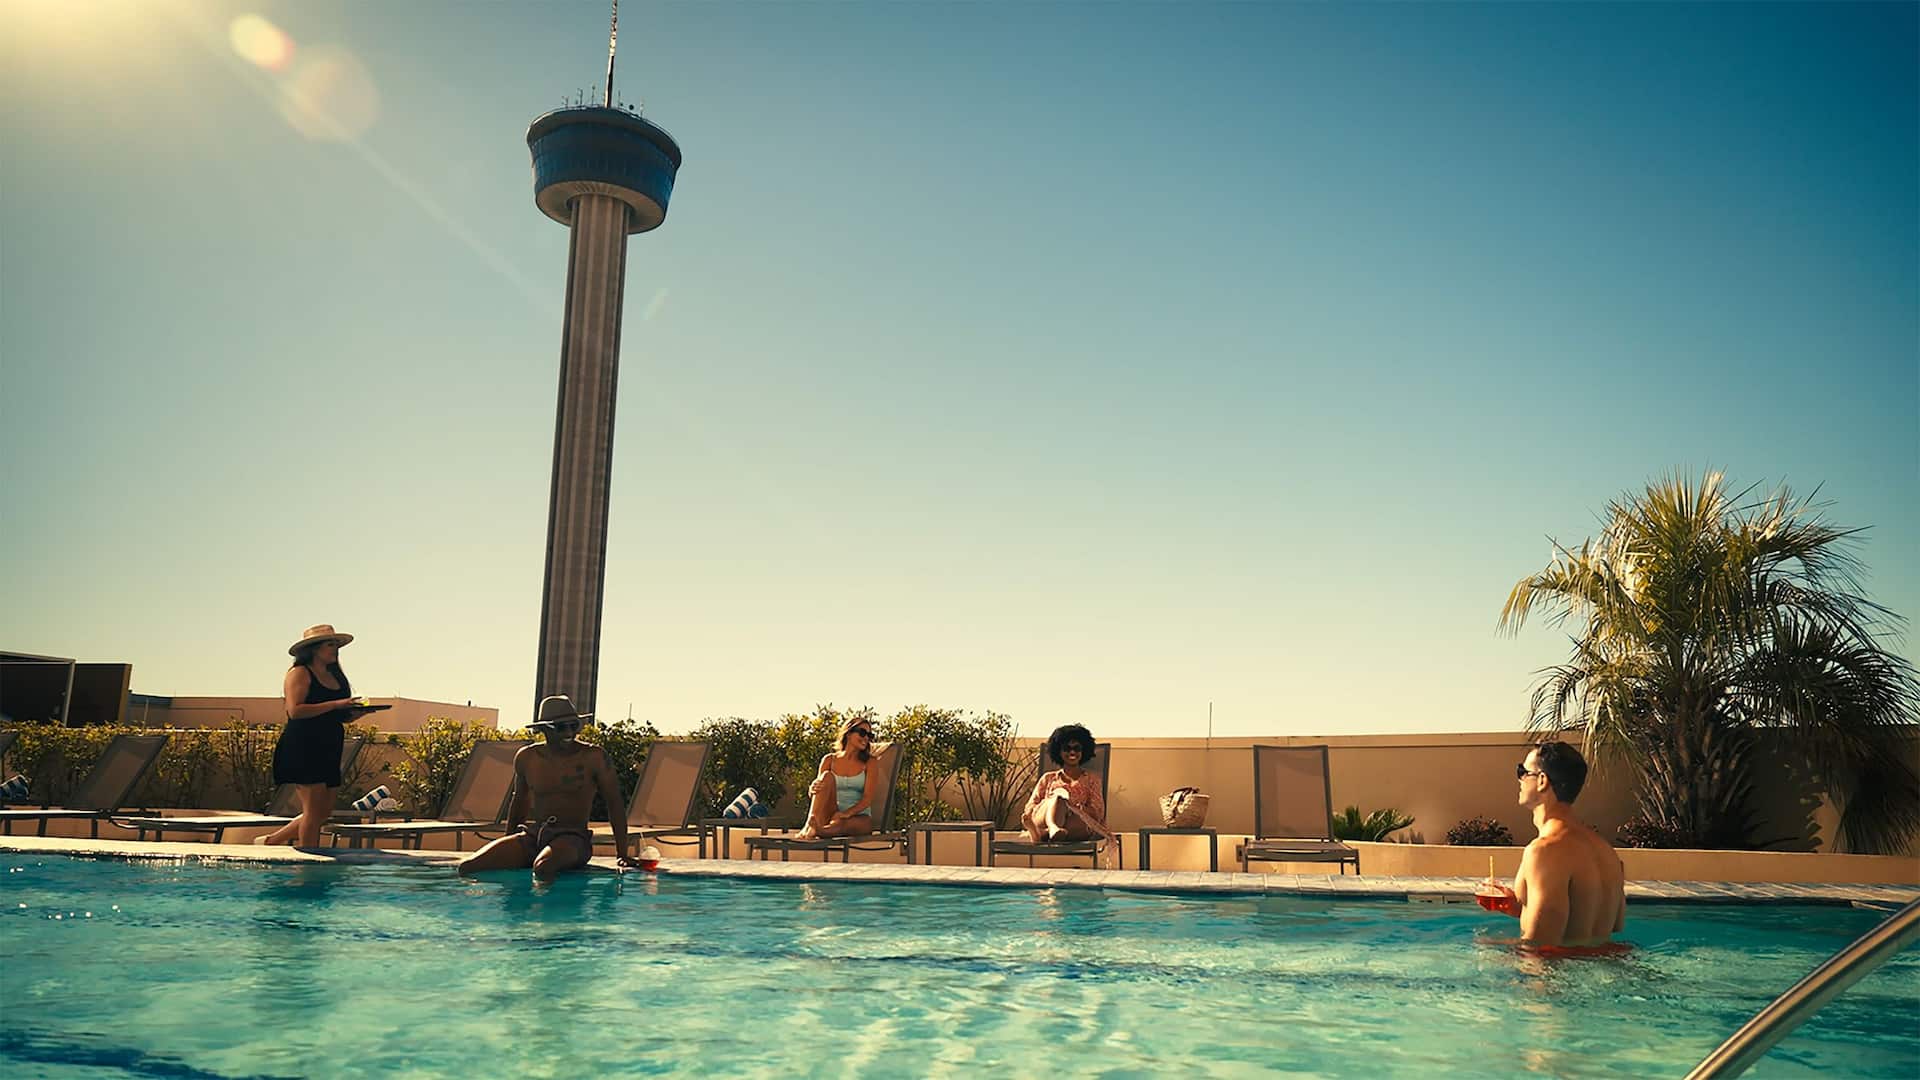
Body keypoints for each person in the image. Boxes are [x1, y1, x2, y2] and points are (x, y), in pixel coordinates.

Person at [458, 695, 638, 880]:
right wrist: (510, 841)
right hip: (534, 836)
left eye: (574, 725)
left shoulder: (594, 757)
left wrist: (622, 853)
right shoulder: (527, 758)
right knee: (468, 867)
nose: (569, 732)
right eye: (561, 727)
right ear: (543, 728)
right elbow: (520, 801)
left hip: (573, 839)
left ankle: (551, 909)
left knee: (543, 867)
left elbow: (614, 803)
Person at [1480, 741, 1627, 950]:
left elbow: (1540, 949)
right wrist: (1519, 908)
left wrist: (1489, 948)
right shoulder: (1607, 852)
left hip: (1559, 980)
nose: (1520, 779)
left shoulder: (1543, 851)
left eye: (1523, 771)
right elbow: (1611, 928)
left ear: (1542, 781)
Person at [260, 624, 365, 848]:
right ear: (314, 648)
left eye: (337, 645)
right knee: (313, 810)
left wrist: (352, 714)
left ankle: (271, 841)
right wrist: (336, 704)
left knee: (322, 811)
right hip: (304, 745)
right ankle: (309, 860)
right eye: (330, 644)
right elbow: (295, 710)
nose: (335, 649)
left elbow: (335, 714)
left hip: (329, 743)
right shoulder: (299, 673)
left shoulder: (336, 676)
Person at [793, 716, 882, 840]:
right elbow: (818, 795)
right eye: (862, 733)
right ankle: (811, 826)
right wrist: (812, 789)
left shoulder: (870, 762)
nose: (866, 738)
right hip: (831, 814)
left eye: (869, 735)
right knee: (826, 777)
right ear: (848, 733)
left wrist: (845, 814)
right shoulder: (829, 760)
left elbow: (867, 799)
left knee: (843, 823)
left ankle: (820, 831)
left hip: (858, 817)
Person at [1022, 724, 1111, 844]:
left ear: (1084, 750)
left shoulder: (1092, 780)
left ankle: (1042, 834)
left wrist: (1076, 808)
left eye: (1077, 748)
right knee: (1057, 800)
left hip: (1077, 822)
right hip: (1043, 818)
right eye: (1067, 748)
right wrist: (1052, 804)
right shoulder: (1048, 778)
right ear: (1059, 751)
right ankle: (1052, 827)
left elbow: (1098, 813)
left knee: (1084, 821)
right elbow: (1030, 807)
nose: (1072, 752)